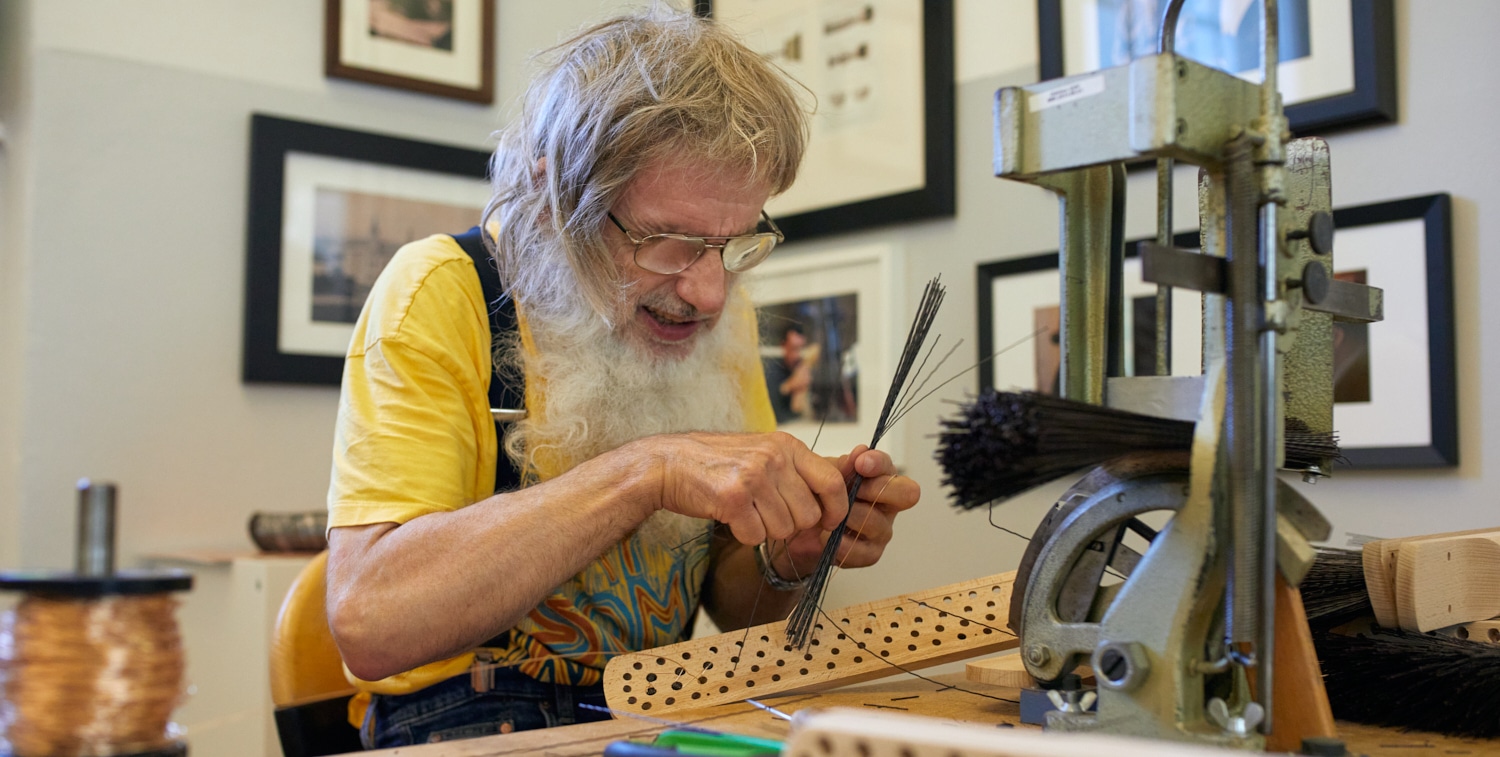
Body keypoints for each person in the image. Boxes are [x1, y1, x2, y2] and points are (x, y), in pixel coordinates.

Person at [323, 7, 920, 748]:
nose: (706, 292)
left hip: (659, 713)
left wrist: (788, 552)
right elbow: (370, 624)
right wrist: (646, 471)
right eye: (668, 241)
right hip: (469, 725)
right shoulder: (444, 290)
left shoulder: (720, 320)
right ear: (550, 202)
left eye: (733, 244)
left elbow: (738, 610)